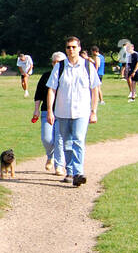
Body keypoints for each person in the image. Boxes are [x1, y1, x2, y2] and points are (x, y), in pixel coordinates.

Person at [42, 37, 100, 186]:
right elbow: (52, 89)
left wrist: (94, 111)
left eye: (74, 47)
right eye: (68, 47)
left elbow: (94, 89)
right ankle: (70, 171)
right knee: (67, 143)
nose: (71, 50)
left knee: (78, 140)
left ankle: (78, 172)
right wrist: (50, 111)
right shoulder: (60, 67)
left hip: (82, 111)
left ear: (79, 48)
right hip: (62, 112)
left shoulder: (87, 66)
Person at [32, 51, 67, 174]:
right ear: (52, 63)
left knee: (60, 140)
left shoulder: (67, 76)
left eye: (60, 62)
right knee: (46, 139)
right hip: (46, 111)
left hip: (63, 112)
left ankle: (59, 165)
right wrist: (36, 109)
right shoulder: (46, 76)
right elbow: (38, 94)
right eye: (55, 62)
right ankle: (50, 156)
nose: (57, 64)